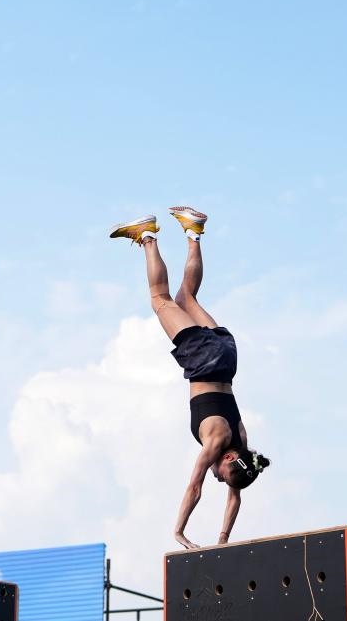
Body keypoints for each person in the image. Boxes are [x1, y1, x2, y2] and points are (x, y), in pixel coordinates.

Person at [110, 206, 270, 549]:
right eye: (222, 476)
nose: (219, 480)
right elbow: (194, 487)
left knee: (186, 298)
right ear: (228, 459)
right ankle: (147, 235)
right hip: (204, 359)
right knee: (160, 299)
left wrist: (223, 539)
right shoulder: (216, 441)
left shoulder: (241, 440)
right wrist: (179, 531)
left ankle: (193, 232)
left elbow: (235, 496)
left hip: (226, 356)